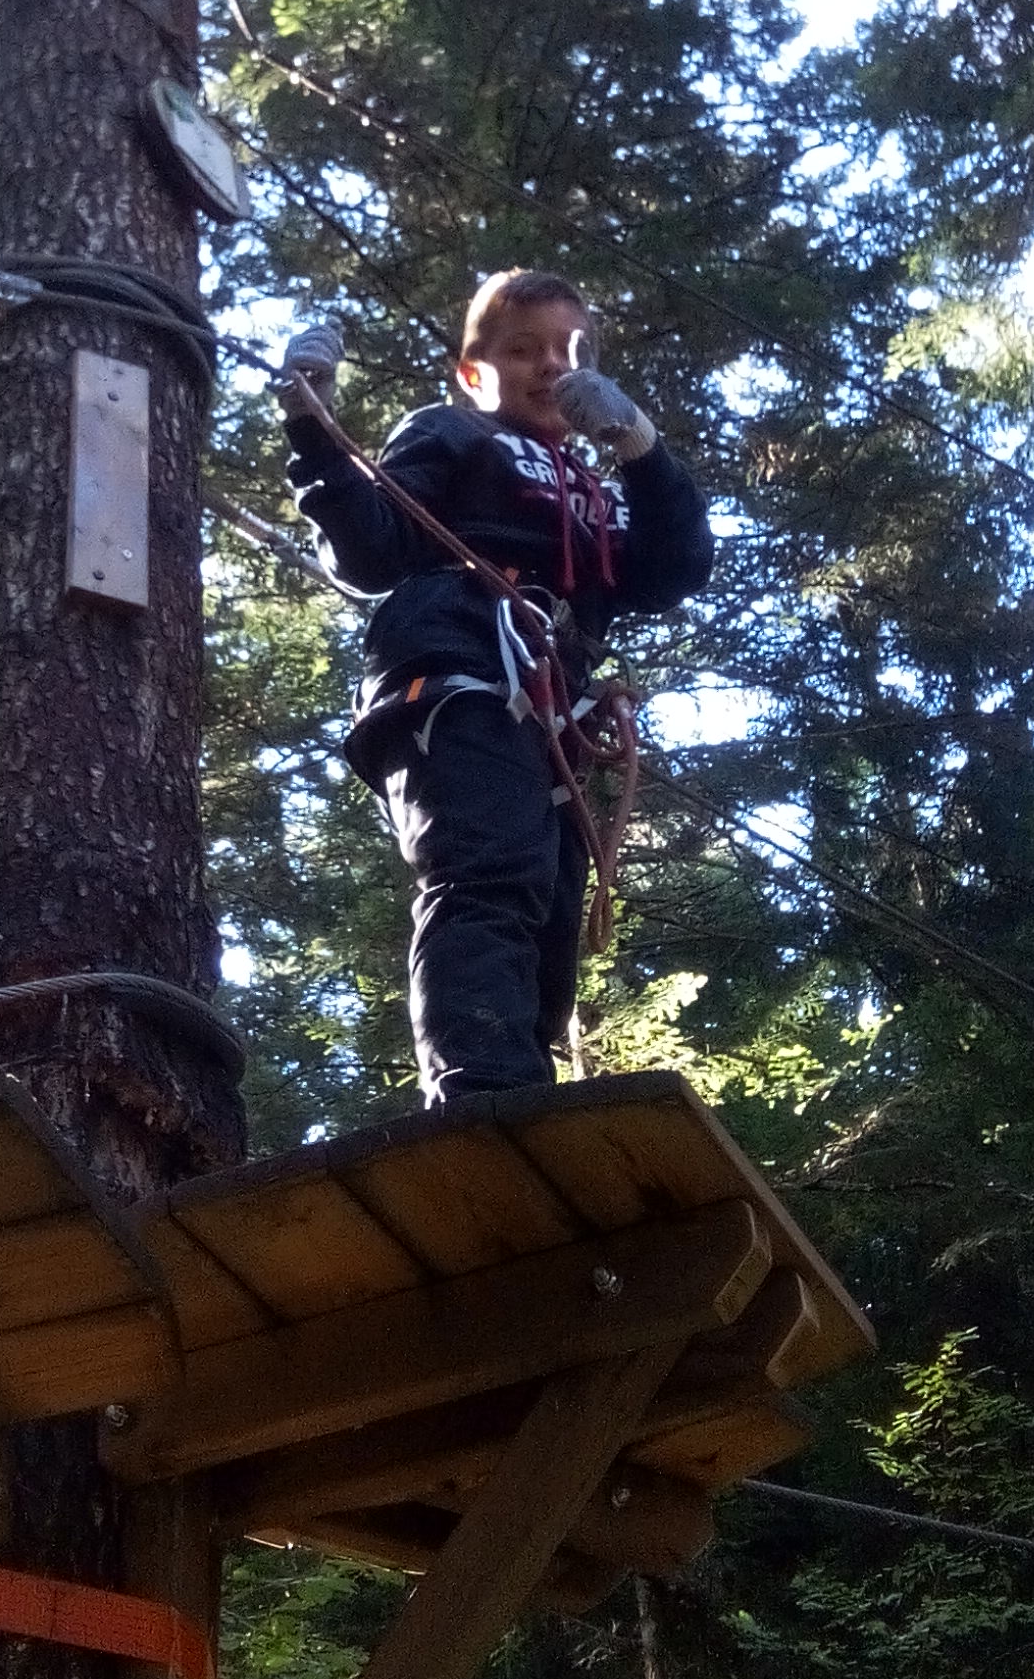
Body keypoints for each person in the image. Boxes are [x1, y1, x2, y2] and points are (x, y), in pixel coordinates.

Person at [279, 268, 714, 1104]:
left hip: (553, 715)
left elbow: (677, 567)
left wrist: (638, 445)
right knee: (489, 872)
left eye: (570, 352)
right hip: (456, 676)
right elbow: (372, 548)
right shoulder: (453, 432)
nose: (551, 366)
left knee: (550, 916)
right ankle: (480, 1091)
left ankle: (523, 1093)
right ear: (474, 373)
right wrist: (315, 430)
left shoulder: (600, 494)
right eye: (523, 350)